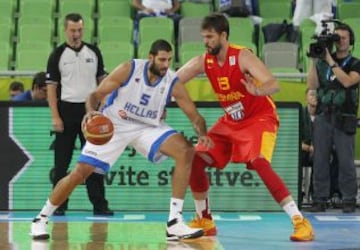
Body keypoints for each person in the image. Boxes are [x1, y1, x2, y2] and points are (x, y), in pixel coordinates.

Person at [30, 39, 213, 241]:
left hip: (147, 127)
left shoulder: (172, 82)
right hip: (115, 125)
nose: (165, 64)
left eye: (169, 60)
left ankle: (174, 222)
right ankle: (41, 218)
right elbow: (95, 94)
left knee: (186, 151)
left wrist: (202, 134)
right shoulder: (130, 68)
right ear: (150, 57)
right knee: (79, 174)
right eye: (162, 59)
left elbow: (194, 116)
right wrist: (91, 113)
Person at [176, 13, 314, 241]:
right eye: (203, 37)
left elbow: (273, 83)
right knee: (195, 159)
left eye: (210, 37)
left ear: (223, 35)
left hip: (259, 118)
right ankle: (205, 219)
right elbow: (174, 80)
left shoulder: (242, 56)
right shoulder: (204, 61)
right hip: (231, 120)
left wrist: (259, 90)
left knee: (259, 162)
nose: (206, 42)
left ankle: (301, 222)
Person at [46, 13, 113, 216]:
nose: (76, 34)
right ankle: (58, 206)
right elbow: (51, 89)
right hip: (66, 111)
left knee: (94, 161)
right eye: (73, 30)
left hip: (90, 113)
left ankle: (99, 206)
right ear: (65, 30)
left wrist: (102, 110)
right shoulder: (57, 54)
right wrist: (55, 116)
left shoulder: (93, 52)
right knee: (62, 164)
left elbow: (104, 82)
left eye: (80, 30)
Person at [306, 23, 360, 213]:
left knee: (346, 161)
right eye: (337, 38)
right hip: (323, 115)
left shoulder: (355, 63)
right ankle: (319, 199)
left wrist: (330, 61)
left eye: (344, 38)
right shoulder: (323, 62)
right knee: (319, 159)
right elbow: (312, 84)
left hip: (345, 116)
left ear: (351, 41)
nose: (341, 42)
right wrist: (314, 61)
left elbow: (347, 82)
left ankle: (348, 199)